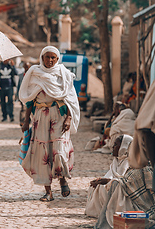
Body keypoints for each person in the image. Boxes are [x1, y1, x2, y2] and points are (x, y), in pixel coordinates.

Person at [18, 46, 80, 202]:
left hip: (59, 116)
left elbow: (71, 101)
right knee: (42, 154)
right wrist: (26, 120)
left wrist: (68, 119)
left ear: (58, 59)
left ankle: (63, 179)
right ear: (42, 57)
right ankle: (48, 191)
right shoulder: (35, 74)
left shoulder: (64, 75)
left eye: (54, 57)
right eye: (47, 57)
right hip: (40, 118)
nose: (50, 60)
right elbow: (30, 100)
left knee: (59, 150)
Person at [85, 135, 133, 217]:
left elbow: (125, 182)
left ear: (123, 147)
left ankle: (108, 212)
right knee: (96, 186)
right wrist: (100, 180)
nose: (112, 147)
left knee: (102, 188)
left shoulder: (128, 162)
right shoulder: (116, 161)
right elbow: (110, 175)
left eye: (115, 145)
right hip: (114, 184)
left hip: (124, 192)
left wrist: (107, 182)